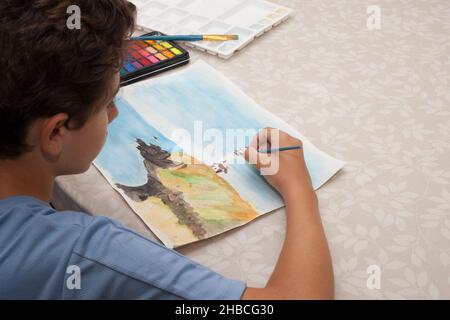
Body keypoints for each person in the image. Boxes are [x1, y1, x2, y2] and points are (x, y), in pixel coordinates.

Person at [0, 0, 334, 299]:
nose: (115, 114)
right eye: (109, 103)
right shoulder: (90, 252)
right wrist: (298, 187)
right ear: (56, 132)